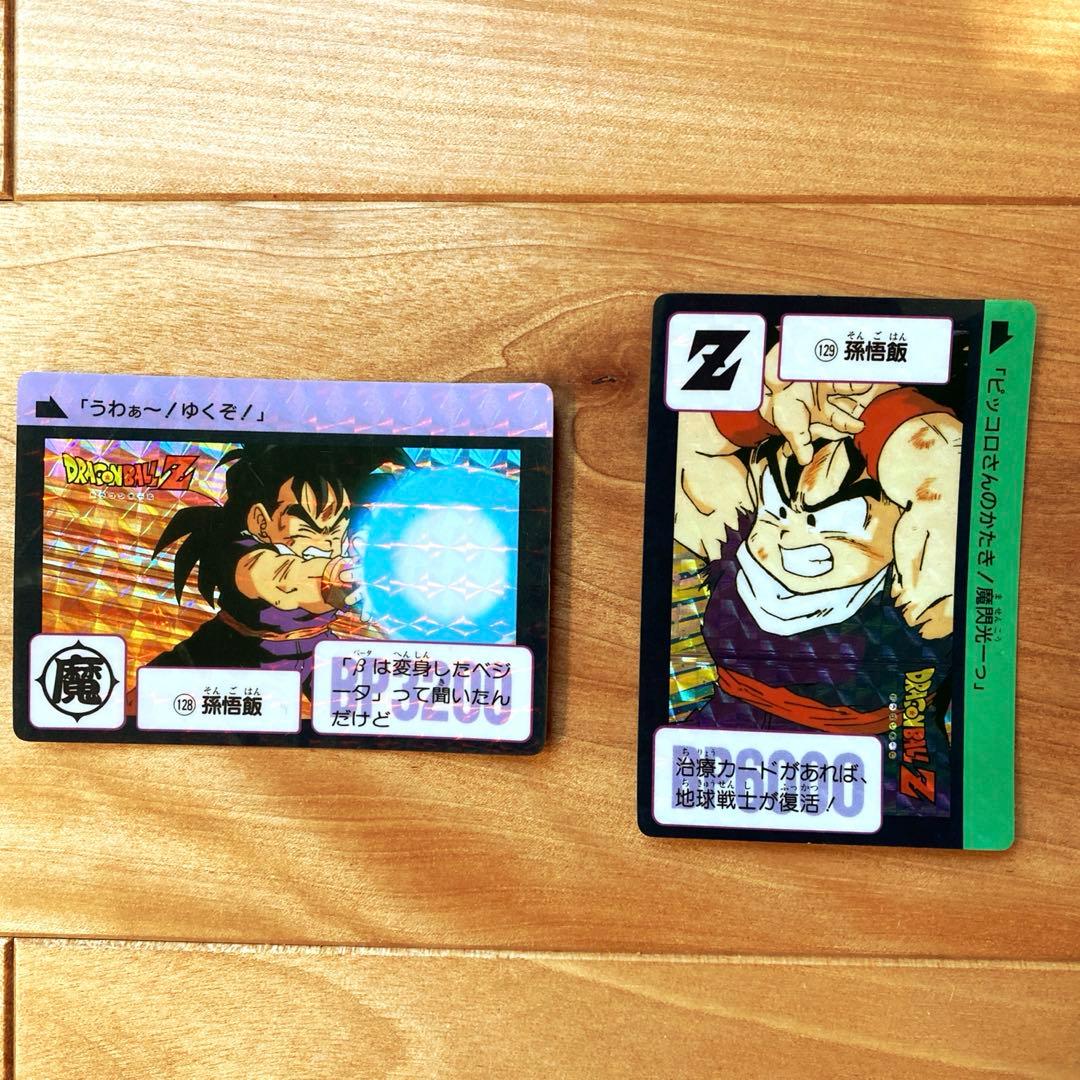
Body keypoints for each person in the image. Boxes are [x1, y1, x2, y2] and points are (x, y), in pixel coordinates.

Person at [674, 345, 961, 739]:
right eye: (775, 510)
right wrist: (760, 409)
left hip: (875, 759)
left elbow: (946, 473)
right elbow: (686, 445)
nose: (789, 537)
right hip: (723, 745)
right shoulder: (736, 539)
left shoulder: (916, 593)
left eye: (833, 523)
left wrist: (880, 414)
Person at [148, 443, 406, 697]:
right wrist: (332, 578)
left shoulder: (346, 543)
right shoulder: (242, 551)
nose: (327, 542)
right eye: (308, 528)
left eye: (336, 528)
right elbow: (278, 576)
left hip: (315, 652)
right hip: (228, 657)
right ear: (261, 521)